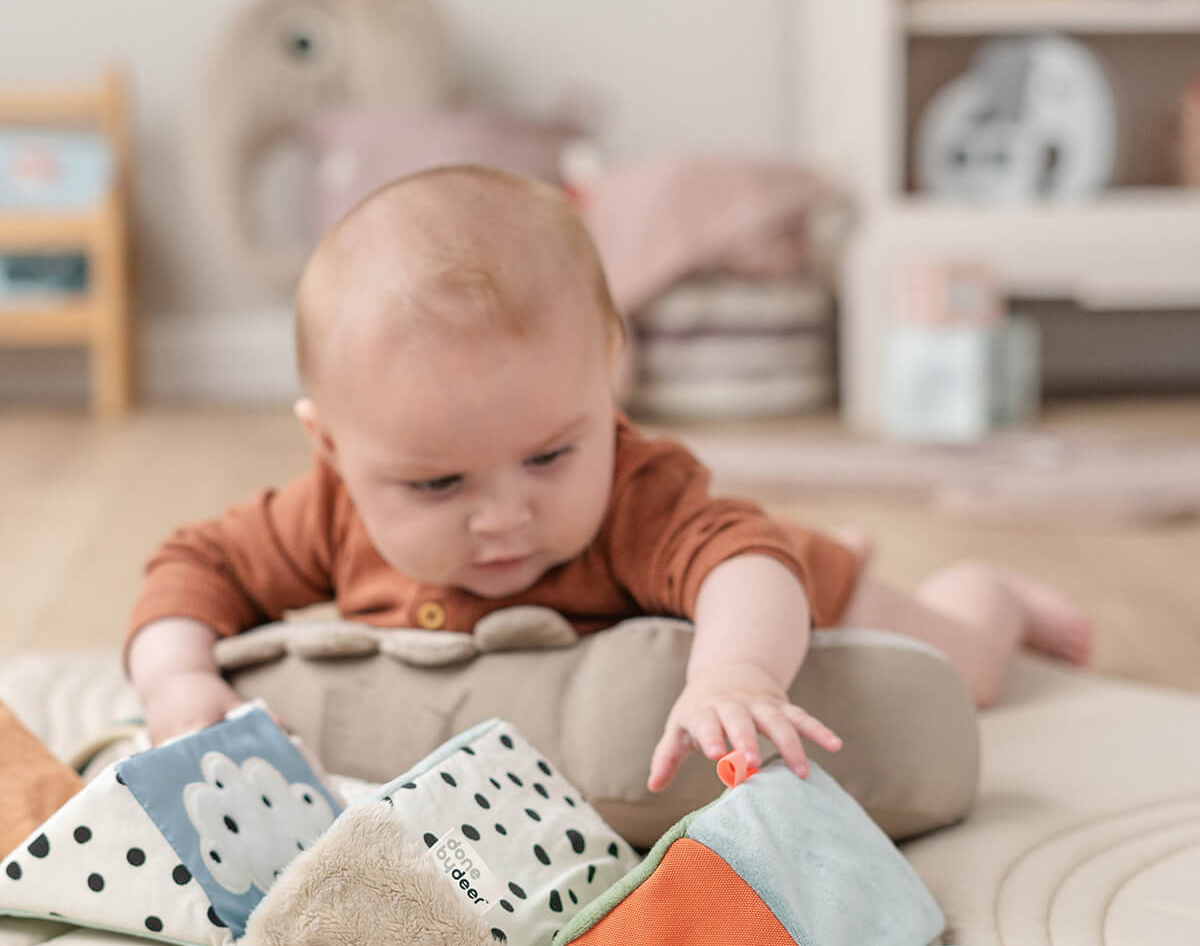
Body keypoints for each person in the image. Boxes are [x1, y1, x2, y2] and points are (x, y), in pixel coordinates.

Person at [125, 166, 1090, 792]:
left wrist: (737, 673)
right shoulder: (326, 512)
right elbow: (189, 568)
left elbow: (741, 563)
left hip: (788, 590)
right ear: (332, 448)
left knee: (970, 675)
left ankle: (990, 592)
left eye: (549, 457)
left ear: (608, 378)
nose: (506, 516)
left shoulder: (636, 492)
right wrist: (178, 681)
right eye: (438, 486)